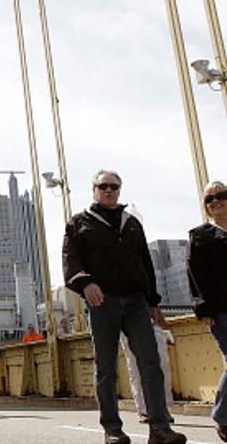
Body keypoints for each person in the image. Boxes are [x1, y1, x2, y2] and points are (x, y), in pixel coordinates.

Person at [63, 169, 185, 444]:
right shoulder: (79, 222)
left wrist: (153, 302)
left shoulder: (131, 223)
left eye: (114, 187)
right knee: (105, 367)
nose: (109, 191)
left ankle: (160, 428)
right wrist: (86, 283)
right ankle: (112, 430)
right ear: (93, 188)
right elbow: (70, 260)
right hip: (102, 300)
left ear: (119, 190)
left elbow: (146, 263)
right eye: (104, 186)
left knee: (151, 363)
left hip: (136, 302)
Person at [187, 179, 227, 442]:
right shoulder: (200, 235)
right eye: (209, 199)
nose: (215, 201)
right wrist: (202, 308)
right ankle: (222, 416)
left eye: (220, 196)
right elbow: (194, 275)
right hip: (221, 309)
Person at [120, 327, 174, 423]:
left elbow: (156, 311)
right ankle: (143, 411)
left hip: (151, 325)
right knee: (136, 369)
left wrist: (164, 329)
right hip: (127, 326)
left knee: (162, 366)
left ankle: (163, 408)